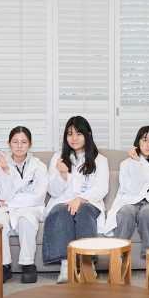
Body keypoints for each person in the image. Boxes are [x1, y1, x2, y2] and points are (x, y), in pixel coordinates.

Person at [42, 116, 109, 284]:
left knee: (84, 211)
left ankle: (87, 264)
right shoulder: (58, 157)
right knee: (61, 210)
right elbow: (52, 190)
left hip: (89, 202)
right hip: (62, 201)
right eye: (70, 134)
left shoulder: (100, 160)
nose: (74, 138)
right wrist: (62, 174)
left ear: (88, 135)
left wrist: (80, 199)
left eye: (79, 134)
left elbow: (101, 188)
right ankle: (66, 265)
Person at [0, 126, 48, 284]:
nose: (19, 146)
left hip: (30, 208)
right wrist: (6, 172)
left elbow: (38, 197)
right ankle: (3, 265)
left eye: (24, 142)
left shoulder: (40, 166)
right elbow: (3, 195)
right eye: (15, 142)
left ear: (30, 145)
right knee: (0, 222)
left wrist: (11, 201)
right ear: (9, 144)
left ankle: (28, 264)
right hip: (4, 208)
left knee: (26, 218)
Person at [105, 126, 149, 272]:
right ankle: (117, 257)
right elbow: (132, 190)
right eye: (145, 140)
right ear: (138, 142)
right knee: (126, 213)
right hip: (129, 199)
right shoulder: (126, 163)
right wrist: (136, 162)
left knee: (148, 213)